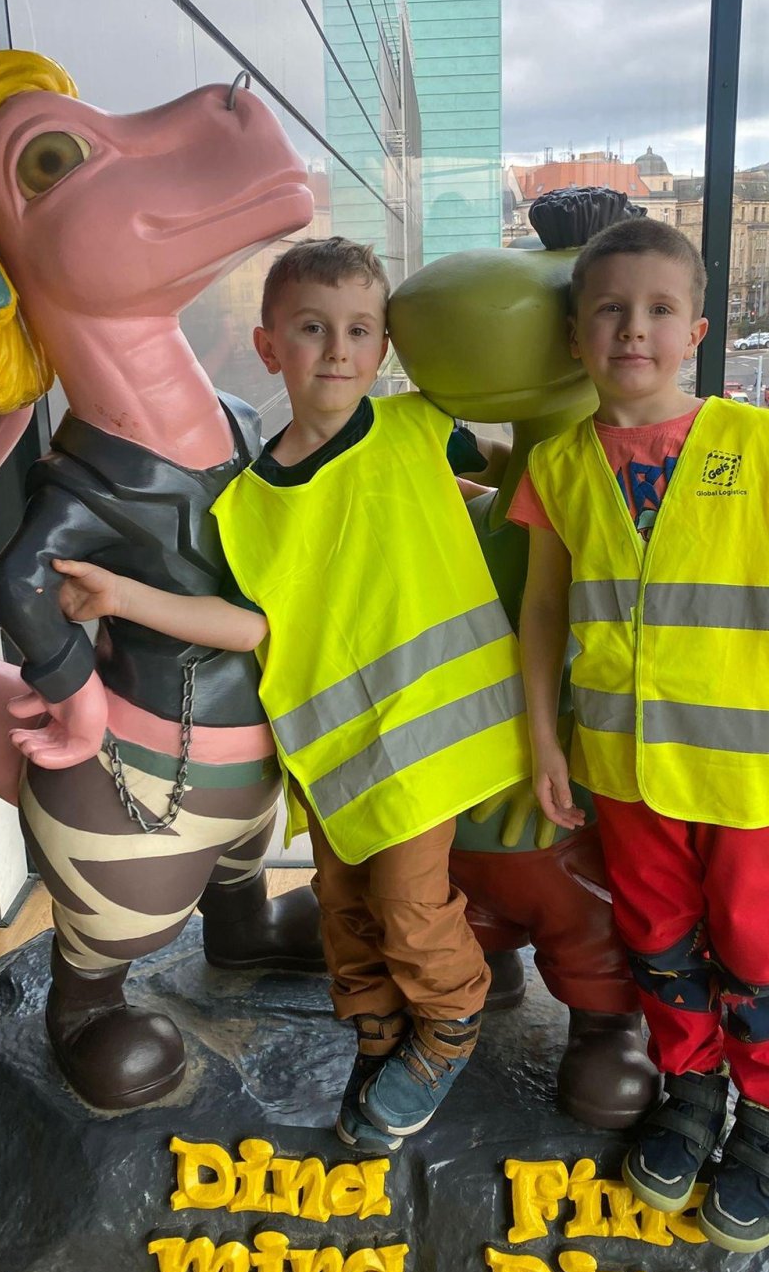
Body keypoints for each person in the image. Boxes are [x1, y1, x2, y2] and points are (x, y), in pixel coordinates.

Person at [52, 237, 532, 1155]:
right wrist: (120, 597)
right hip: (335, 749)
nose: (339, 350)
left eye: (360, 330)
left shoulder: (420, 428)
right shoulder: (247, 502)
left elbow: (521, 459)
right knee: (343, 906)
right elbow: (248, 625)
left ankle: (449, 1026)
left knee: (409, 903)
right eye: (314, 329)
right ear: (269, 346)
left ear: (385, 346)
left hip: (438, 738)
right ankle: (379, 1034)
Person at [514, 216, 769, 1254]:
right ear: (576, 336)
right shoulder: (559, 466)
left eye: (658, 309)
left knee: (755, 942)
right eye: (609, 310)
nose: (633, 329)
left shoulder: (751, 442)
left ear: (695, 331)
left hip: (744, 770)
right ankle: (691, 1086)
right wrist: (545, 741)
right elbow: (543, 616)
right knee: (656, 939)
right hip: (624, 770)